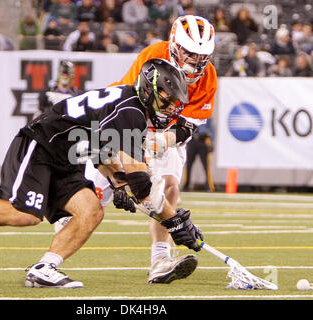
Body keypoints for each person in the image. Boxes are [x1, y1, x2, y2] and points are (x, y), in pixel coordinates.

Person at [0, 59, 203, 289]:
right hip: (41, 145)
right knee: (24, 215)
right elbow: (143, 186)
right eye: (166, 100)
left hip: (69, 156)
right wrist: (176, 224)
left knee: (91, 211)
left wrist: (118, 184)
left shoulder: (127, 104)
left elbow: (102, 152)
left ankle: (44, 268)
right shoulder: (132, 112)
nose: (169, 109)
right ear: (148, 89)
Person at [78, 16, 217, 284]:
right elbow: (127, 106)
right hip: (131, 124)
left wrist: (160, 143)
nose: (196, 61)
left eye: (202, 55)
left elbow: (188, 126)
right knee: (92, 202)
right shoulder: (153, 55)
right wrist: (125, 175)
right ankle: (51, 258)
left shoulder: (207, 76)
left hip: (168, 133)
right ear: (175, 44)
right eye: (190, 52)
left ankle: (160, 260)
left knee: (168, 188)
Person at [183, 118, 215, 192]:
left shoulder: (206, 114)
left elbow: (212, 128)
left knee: (206, 165)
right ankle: (186, 185)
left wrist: (212, 143)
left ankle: (208, 185)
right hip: (192, 140)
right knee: (188, 165)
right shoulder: (191, 113)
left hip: (203, 140)